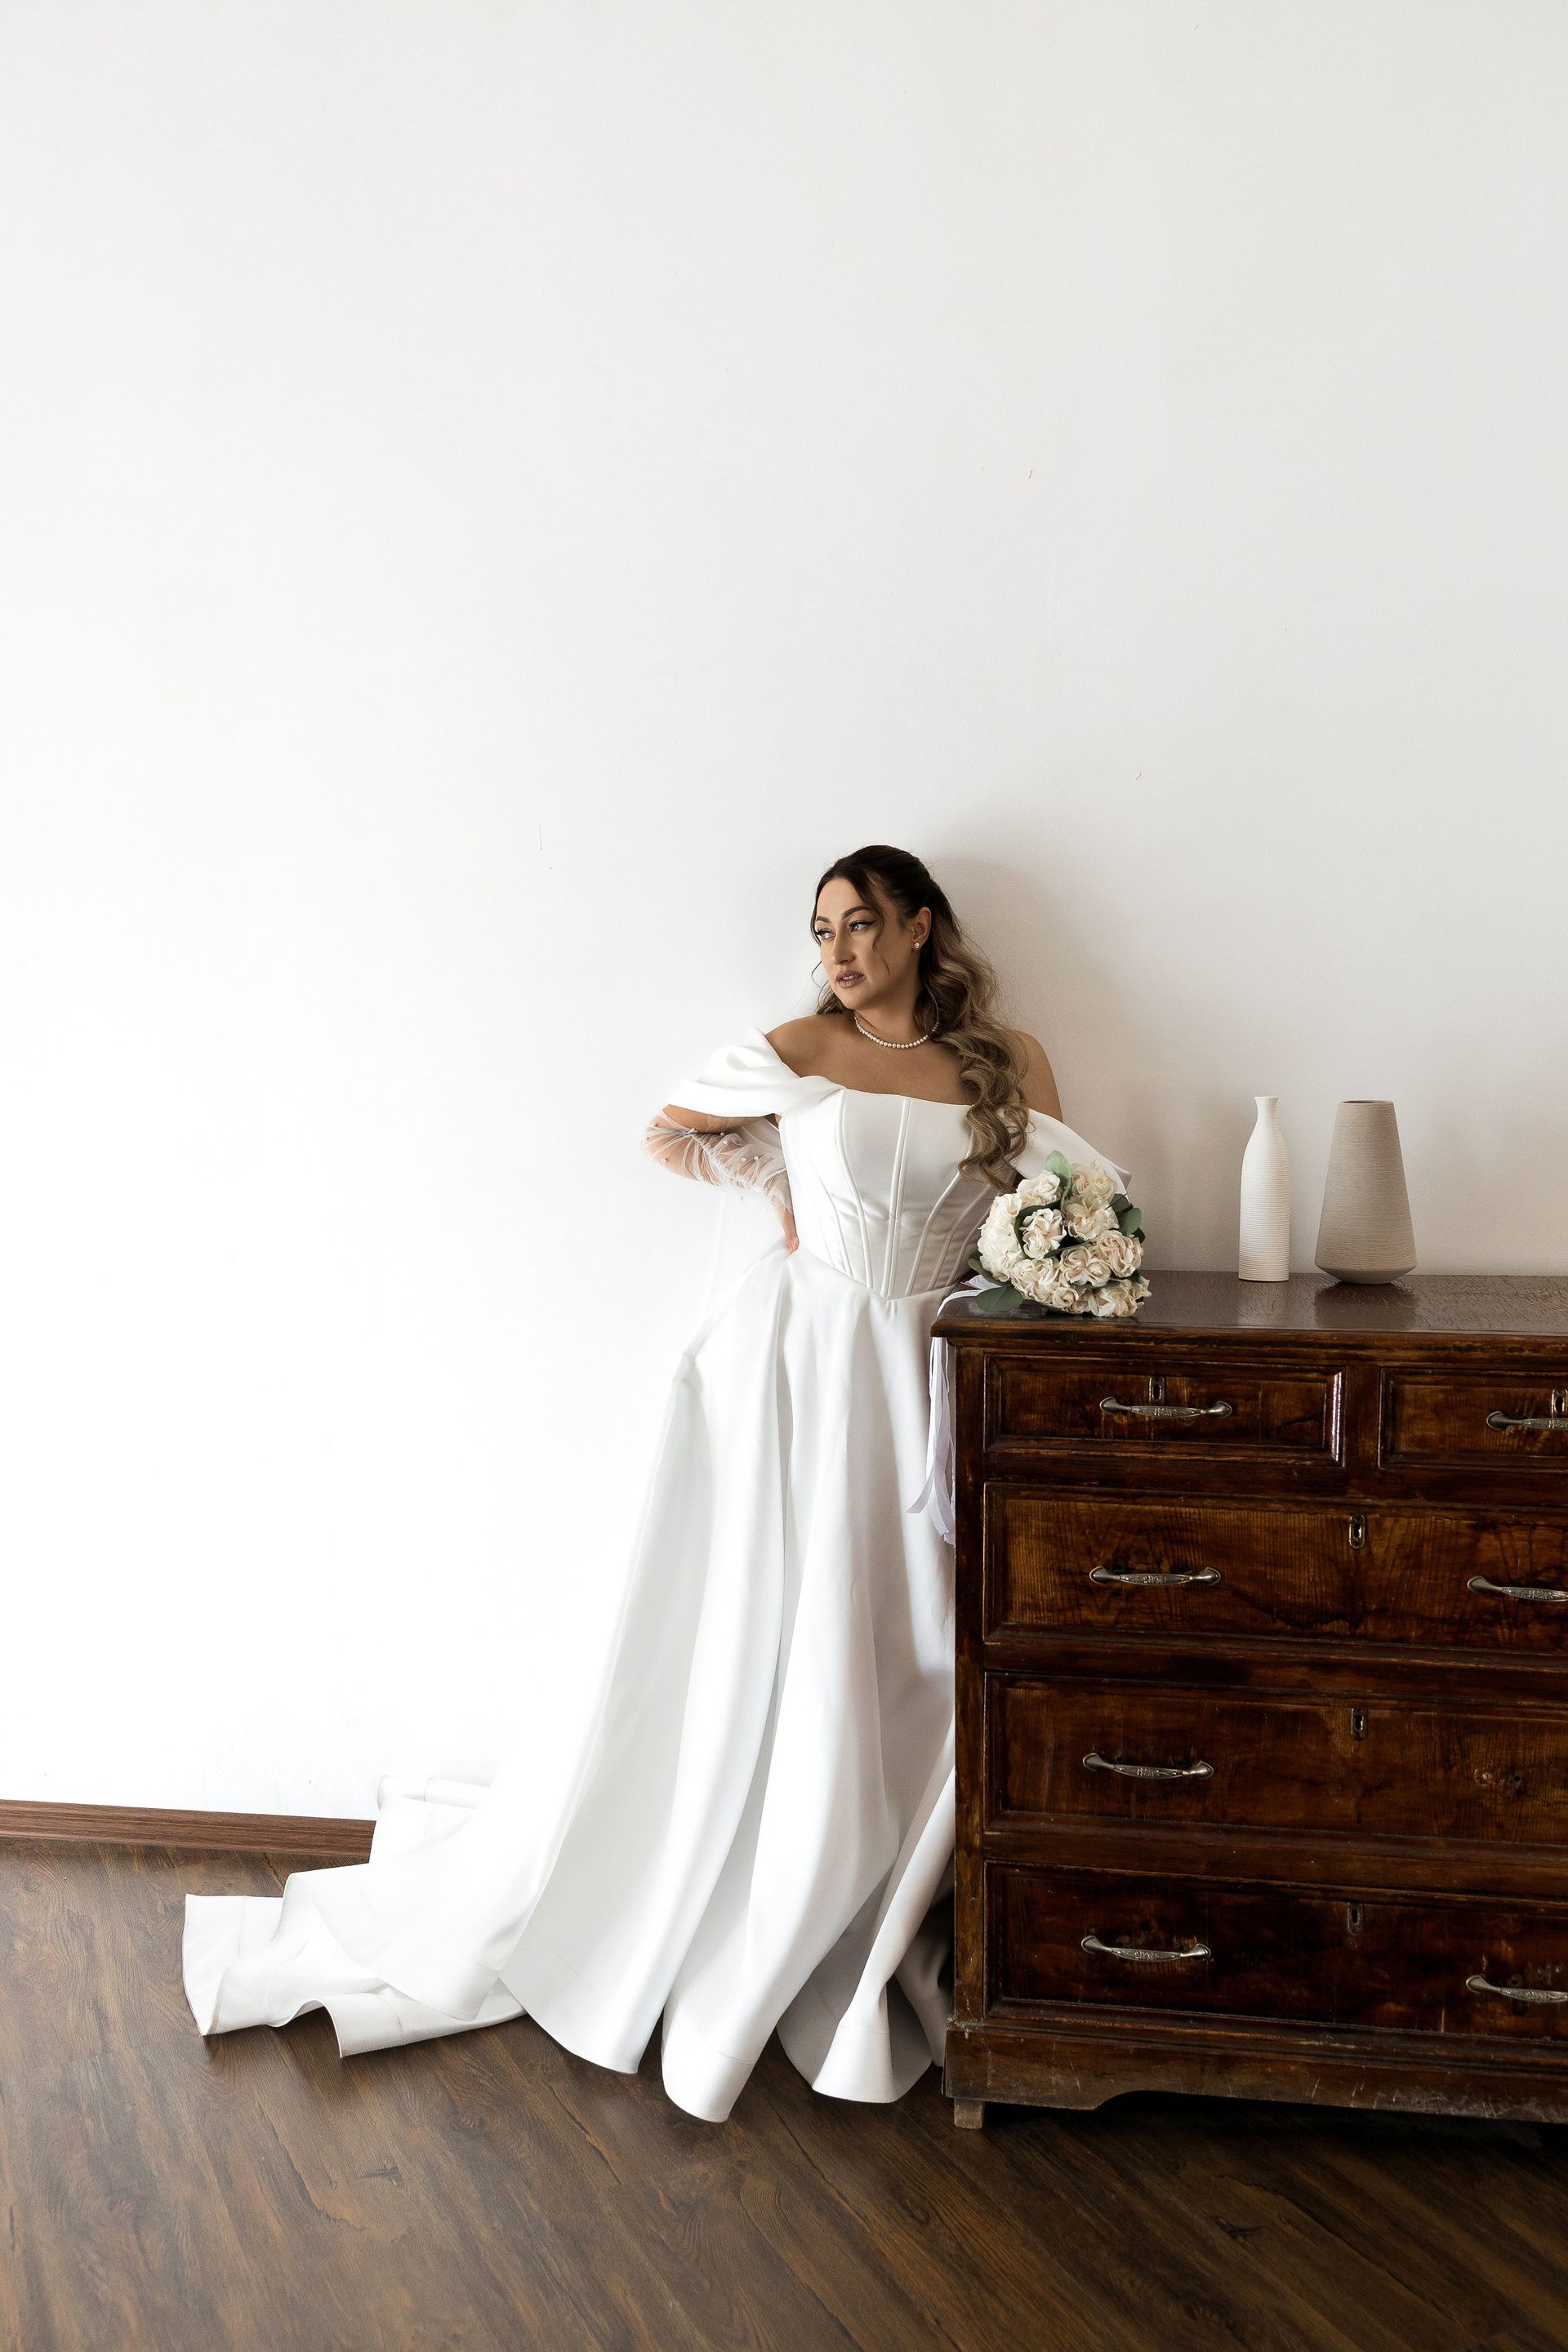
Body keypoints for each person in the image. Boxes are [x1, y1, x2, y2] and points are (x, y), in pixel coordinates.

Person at [183, 844, 1125, 2121]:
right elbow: (671, 1128)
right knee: (791, 1623)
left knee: (921, 1631)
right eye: (822, 931)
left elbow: (1071, 1198)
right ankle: (767, 1871)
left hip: (934, 1366)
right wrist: (785, 1192)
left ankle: (900, 1905)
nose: (838, 952)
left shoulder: (1008, 1062)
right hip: (805, 1361)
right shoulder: (802, 1046)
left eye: (859, 925)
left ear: (918, 927)